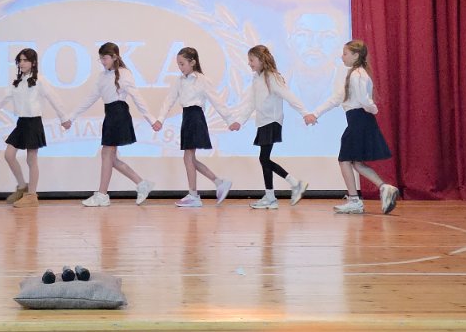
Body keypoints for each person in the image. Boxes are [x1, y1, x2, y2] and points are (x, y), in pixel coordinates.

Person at [304, 40, 400, 215]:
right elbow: (337, 97)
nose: (342, 56)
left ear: (356, 55)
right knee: (356, 162)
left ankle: (355, 200)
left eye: (345, 53)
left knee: (344, 160)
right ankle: (384, 187)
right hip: (358, 120)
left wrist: (373, 109)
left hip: (359, 120)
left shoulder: (357, 75)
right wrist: (315, 113)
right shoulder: (354, 74)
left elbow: (364, 100)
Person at [67, 42, 155, 207]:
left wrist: (151, 119)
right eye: (100, 58)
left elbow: (137, 97)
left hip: (119, 114)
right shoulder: (102, 76)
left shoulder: (125, 74)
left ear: (115, 57)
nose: (102, 61)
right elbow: (90, 98)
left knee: (107, 154)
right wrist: (71, 117)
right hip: (110, 115)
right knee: (110, 158)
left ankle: (102, 194)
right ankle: (142, 184)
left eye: (105, 58)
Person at [151, 46, 236, 207]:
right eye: (178, 64)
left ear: (193, 62)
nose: (180, 67)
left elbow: (216, 100)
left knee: (188, 157)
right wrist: (160, 119)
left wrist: (230, 120)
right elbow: (169, 100)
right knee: (189, 158)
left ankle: (195, 195)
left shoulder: (202, 80)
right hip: (187, 117)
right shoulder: (179, 81)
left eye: (182, 64)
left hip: (196, 117)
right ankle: (218, 183)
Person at [229, 44, 311, 209]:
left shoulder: (272, 77)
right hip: (263, 122)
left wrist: (305, 113)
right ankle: (273, 196)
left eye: (252, 60)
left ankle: (289, 187)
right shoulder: (257, 78)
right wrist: (240, 121)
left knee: (264, 159)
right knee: (264, 159)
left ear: (261, 60)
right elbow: (251, 102)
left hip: (271, 121)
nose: (249, 63)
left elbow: (289, 96)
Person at [0, 48, 70, 206]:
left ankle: (32, 195)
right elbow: (1, 100)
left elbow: (54, 98)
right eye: (20, 60)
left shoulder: (40, 80)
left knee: (31, 159)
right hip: (22, 123)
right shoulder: (17, 82)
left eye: (25, 60)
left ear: (33, 62)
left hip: (33, 123)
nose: (22, 63)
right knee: (9, 155)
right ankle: (22, 187)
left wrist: (64, 118)